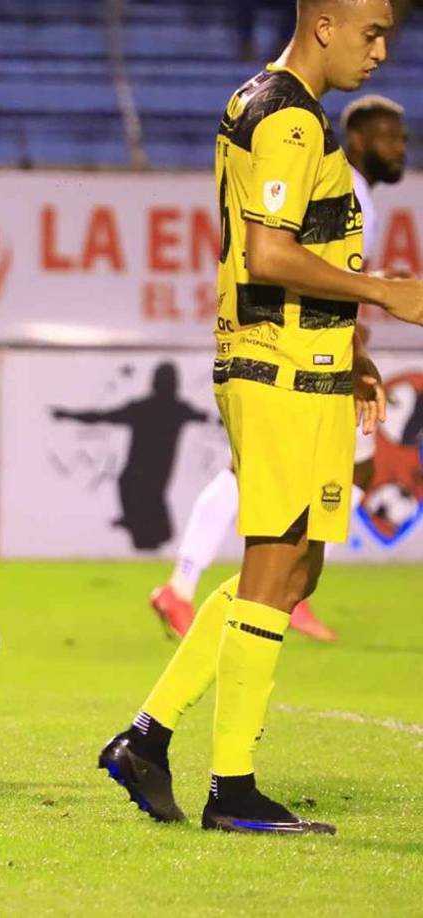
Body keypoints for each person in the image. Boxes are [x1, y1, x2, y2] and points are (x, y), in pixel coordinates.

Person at [100, 0, 423, 835]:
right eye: (372, 33)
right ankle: (232, 788)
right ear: (325, 24)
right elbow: (268, 253)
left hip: (307, 366)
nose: (382, 52)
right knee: (277, 568)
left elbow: (300, 250)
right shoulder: (282, 115)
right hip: (275, 367)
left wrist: (350, 352)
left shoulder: (292, 113)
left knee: (291, 573)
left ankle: (147, 737)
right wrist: (384, 292)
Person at [150, 93, 408, 641]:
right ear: (359, 139)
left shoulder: (362, 193)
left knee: (321, 473)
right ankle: (256, 590)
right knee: (271, 474)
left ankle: (267, 588)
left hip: (319, 347)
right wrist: (371, 306)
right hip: (302, 351)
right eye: (391, 138)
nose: (401, 149)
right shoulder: (345, 185)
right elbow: (287, 262)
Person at [53, 363, 209, 551]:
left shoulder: (151, 408)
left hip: (139, 482)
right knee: (156, 534)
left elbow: (101, 416)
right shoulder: (176, 409)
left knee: (158, 533)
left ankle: (132, 522)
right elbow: (208, 418)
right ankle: (132, 522)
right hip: (145, 481)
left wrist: (68, 415)